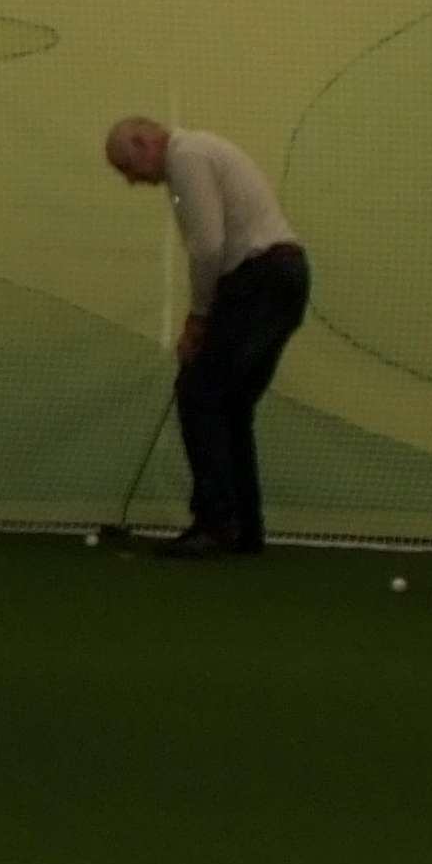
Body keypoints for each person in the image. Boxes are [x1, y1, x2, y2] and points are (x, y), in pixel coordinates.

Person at [101, 117, 311, 557]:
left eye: (127, 167)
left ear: (142, 141)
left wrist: (198, 319)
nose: (131, 181)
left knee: (199, 393)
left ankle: (216, 524)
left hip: (259, 279)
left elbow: (209, 247)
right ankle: (244, 528)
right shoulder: (196, 154)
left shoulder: (187, 157)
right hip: (282, 278)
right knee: (231, 404)